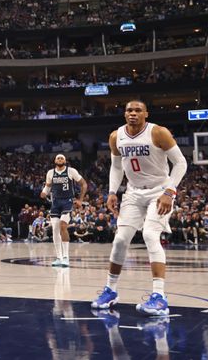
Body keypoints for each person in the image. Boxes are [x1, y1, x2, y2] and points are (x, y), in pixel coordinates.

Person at [91, 100, 188, 316]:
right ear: (124, 114)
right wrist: (112, 192)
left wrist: (169, 192)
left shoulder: (158, 132)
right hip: (133, 192)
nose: (133, 113)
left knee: (150, 235)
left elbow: (181, 163)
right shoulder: (116, 136)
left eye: (137, 110)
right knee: (120, 239)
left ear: (146, 113)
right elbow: (116, 166)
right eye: (129, 110)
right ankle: (111, 290)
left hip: (159, 191)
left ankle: (160, 296)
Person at [40, 154, 88, 267]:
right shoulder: (50, 173)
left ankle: (66, 257)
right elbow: (47, 187)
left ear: (65, 161)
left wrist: (80, 199)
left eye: (62, 158)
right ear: (55, 160)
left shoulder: (71, 171)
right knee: (55, 229)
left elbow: (84, 184)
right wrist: (44, 192)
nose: (60, 159)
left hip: (68, 202)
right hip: (55, 202)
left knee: (63, 225)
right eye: (58, 158)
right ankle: (59, 257)